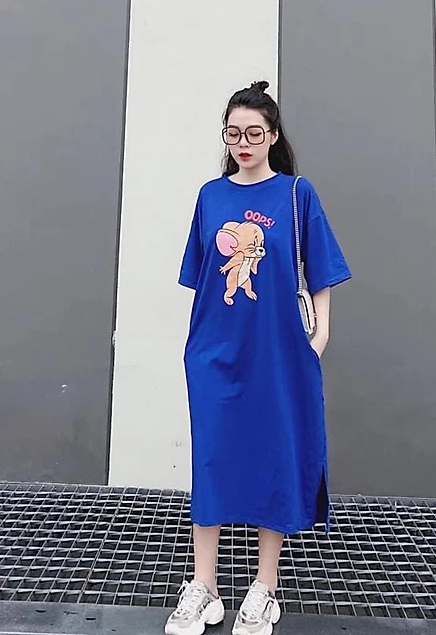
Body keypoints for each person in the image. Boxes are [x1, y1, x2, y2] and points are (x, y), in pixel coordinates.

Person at [165, 81, 351, 635]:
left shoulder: (296, 194)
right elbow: (201, 276)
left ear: (272, 136)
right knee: (212, 460)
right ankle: (204, 586)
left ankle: (264, 588)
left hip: (277, 352)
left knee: (274, 457)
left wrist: (319, 335)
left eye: (253, 133)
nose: (243, 143)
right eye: (233, 133)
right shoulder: (210, 196)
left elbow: (321, 267)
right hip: (215, 350)